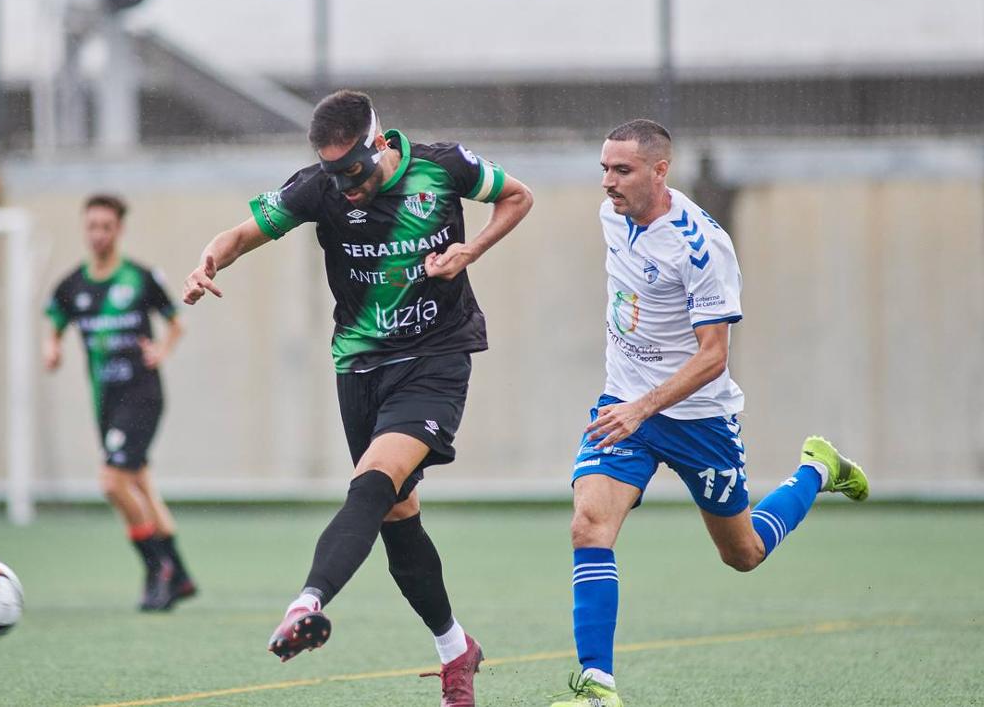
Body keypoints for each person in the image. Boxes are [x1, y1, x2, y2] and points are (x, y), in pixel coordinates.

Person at [183, 90, 532, 707]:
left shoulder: (442, 166)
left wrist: (470, 249)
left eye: (352, 171)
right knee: (397, 516)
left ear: (379, 145)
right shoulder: (319, 187)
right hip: (359, 367)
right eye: (331, 172)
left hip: (435, 360)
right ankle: (456, 649)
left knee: (371, 484)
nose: (343, 186)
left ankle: (306, 602)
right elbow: (240, 234)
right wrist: (209, 260)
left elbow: (517, 196)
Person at [550, 120, 869, 707]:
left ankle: (817, 470)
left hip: (698, 419)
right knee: (589, 525)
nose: (608, 183)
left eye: (622, 171)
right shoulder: (611, 216)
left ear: (660, 170)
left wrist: (644, 407)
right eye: (604, 169)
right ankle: (597, 687)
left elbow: (714, 357)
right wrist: (631, 405)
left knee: (742, 554)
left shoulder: (702, 246)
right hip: (623, 408)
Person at [44, 193, 196, 612]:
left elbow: (177, 322)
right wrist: (51, 348)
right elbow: (53, 322)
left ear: (119, 230)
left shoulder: (140, 279)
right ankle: (180, 575)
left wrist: (163, 350)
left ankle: (156, 568)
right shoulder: (73, 285)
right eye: (91, 226)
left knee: (113, 482)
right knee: (140, 484)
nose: (98, 234)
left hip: (142, 394)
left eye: (106, 226)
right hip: (106, 399)